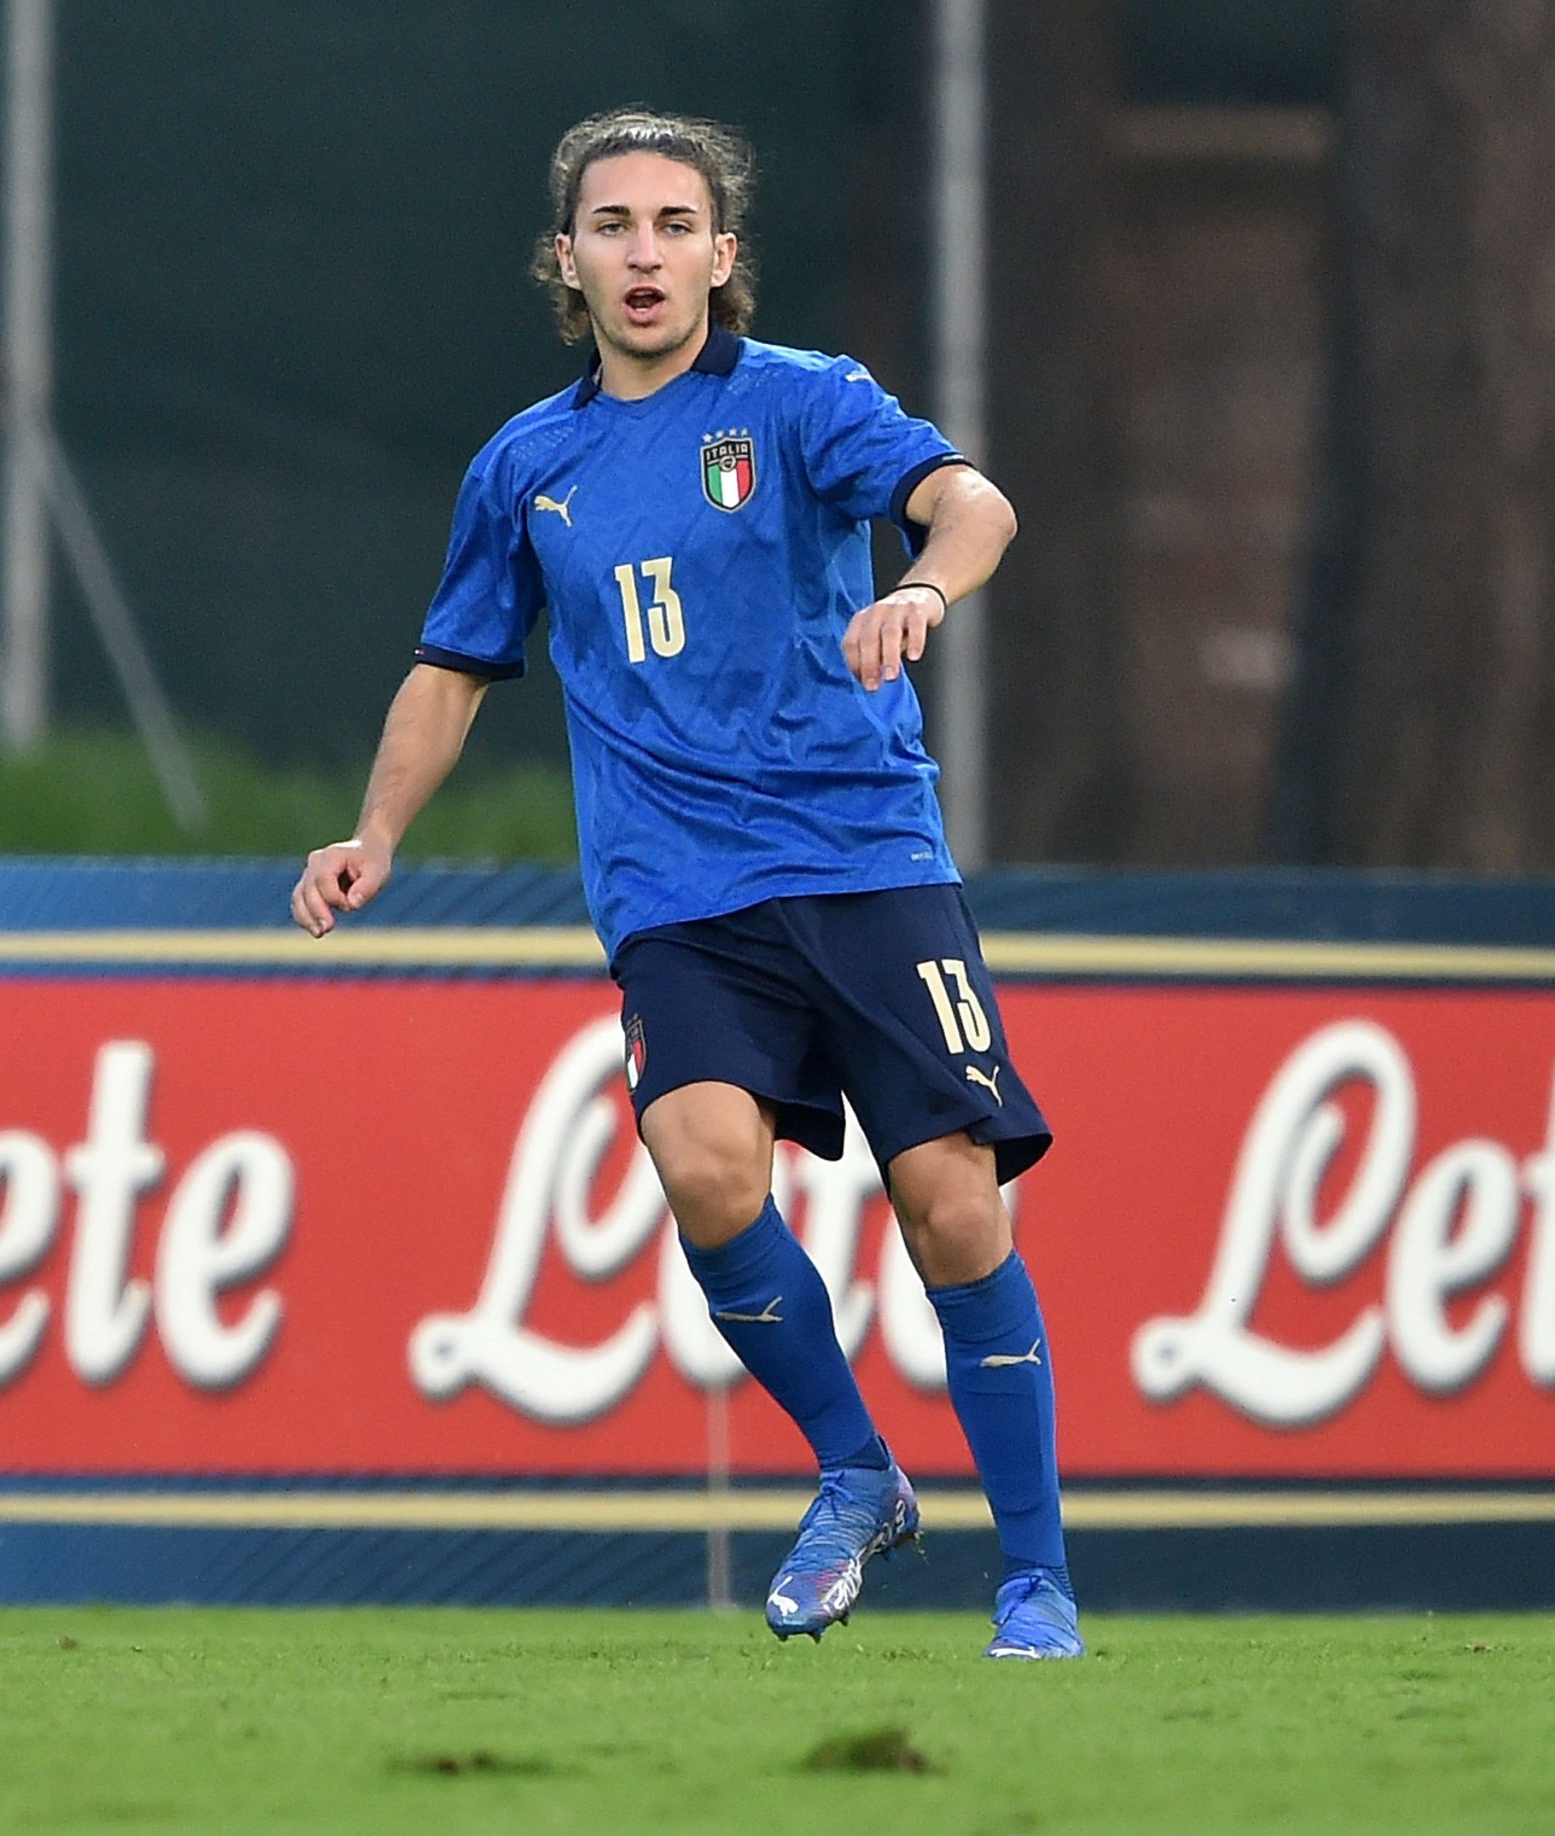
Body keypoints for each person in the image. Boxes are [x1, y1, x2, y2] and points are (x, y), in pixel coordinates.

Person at [290, 108, 1081, 1660]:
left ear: (722, 257)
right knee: (707, 1169)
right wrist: (375, 833)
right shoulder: (528, 463)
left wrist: (920, 586)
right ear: (566, 260)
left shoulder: (800, 406)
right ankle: (858, 1473)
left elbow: (973, 501)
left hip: (861, 854)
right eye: (611, 226)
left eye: (672, 226)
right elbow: (454, 670)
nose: (642, 253)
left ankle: (1036, 1578)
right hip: (676, 895)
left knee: (951, 1204)